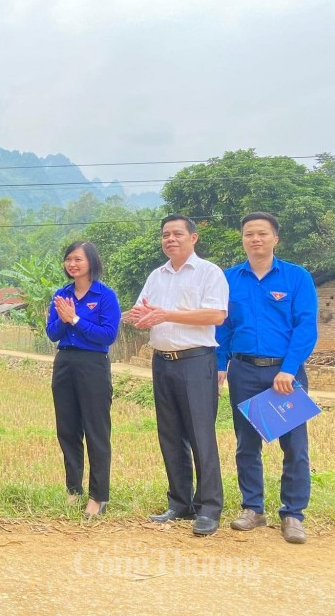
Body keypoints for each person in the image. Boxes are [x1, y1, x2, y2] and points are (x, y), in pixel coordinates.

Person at [216, 212, 318, 544]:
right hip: (243, 370)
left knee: (295, 446)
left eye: (262, 233)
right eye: (249, 234)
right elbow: (223, 327)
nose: (255, 239)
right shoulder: (230, 279)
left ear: (276, 238)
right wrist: (220, 366)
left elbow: (305, 327)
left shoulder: (296, 277)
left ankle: (292, 514)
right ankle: (252, 509)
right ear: (242, 239)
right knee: (247, 444)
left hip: (284, 373)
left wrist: (288, 368)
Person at [125, 214, 228, 537]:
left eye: (177, 234)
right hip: (162, 361)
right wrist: (138, 318)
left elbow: (216, 314)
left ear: (193, 238)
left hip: (196, 361)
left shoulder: (209, 273)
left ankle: (209, 507)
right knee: (170, 433)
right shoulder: (157, 275)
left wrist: (167, 314)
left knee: (201, 434)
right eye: (165, 234)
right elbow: (142, 312)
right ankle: (180, 502)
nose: (170, 239)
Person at [44, 241, 121, 518]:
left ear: (91, 262)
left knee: (96, 431)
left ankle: (98, 496)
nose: (72, 264)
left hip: (93, 365)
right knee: (67, 429)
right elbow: (52, 333)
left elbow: (107, 335)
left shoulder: (105, 296)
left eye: (78, 259)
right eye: (68, 259)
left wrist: (74, 318)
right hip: (65, 362)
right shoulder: (61, 294)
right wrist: (64, 319)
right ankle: (73, 490)